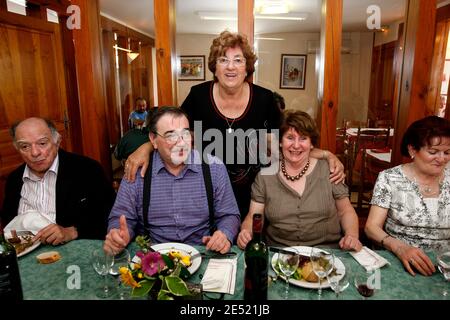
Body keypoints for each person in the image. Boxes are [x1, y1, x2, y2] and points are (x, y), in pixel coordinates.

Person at [124, 31, 345, 219]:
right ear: (215, 66)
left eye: (238, 60)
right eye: (223, 60)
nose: (231, 67)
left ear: (247, 67)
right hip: (207, 194)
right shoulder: (198, 96)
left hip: (256, 196)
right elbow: (172, 133)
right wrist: (146, 147)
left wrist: (326, 155)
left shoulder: (265, 100)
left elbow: (289, 143)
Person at [104, 107, 240, 255]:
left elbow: (229, 214)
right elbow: (122, 218)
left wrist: (224, 234)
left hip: (202, 253)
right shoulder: (137, 171)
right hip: (153, 259)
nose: (181, 143)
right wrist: (118, 234)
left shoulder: (214, 168)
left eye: (185, 133)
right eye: (171, 135)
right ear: (153, 139)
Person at [237, 110, 362, 250]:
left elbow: (345, 211)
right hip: (279, 256)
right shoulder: (265, 176)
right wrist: (246, 232)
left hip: (326, 255)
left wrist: (351, 235)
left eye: (303, 138)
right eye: (290, 137)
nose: (296, 145)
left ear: (312, 144)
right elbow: (253, 216)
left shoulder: (330, 170)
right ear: (280, 142)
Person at [0, 117, 115, 245]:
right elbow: (8, 223)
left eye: (42, 143)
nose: (35, 152)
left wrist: (71, 232)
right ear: (17, 149)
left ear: (57, 141)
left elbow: (111, 217)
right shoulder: (14, 180)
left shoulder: (87, 170)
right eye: (25, 146)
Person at [365, 116, 450, 277]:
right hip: (401, 263)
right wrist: (399, 248)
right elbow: (371, 228)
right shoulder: (389, 178)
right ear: (412, 150)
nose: (442, 159)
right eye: (433, 152)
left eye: (447, 152)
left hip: (445, 266)